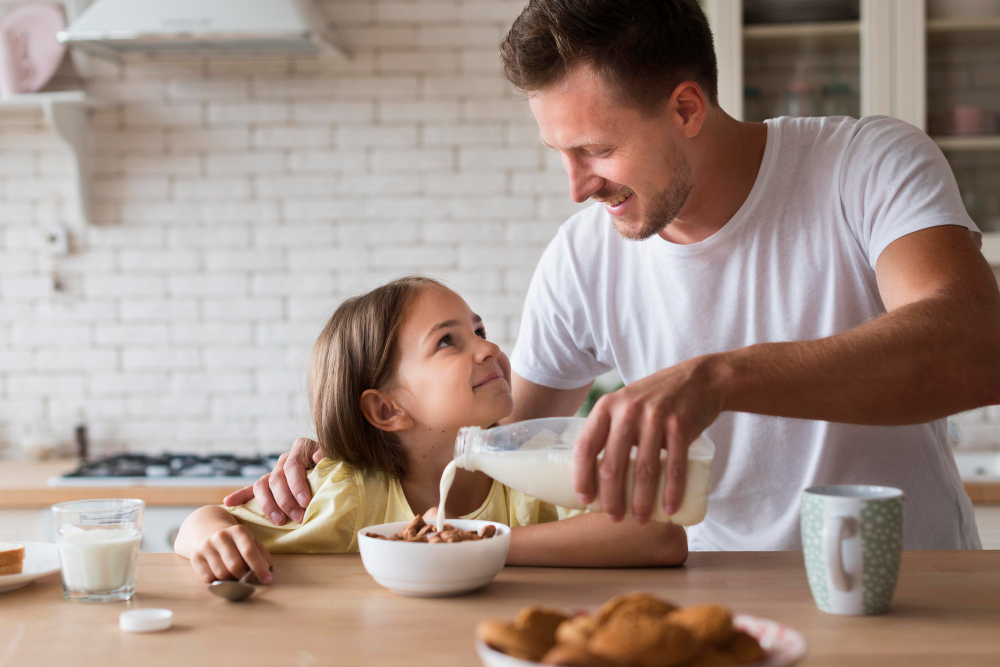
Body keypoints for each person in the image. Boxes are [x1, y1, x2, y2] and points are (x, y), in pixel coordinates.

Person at [227, 0, 998, 551]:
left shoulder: (866, 164)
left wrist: (717, 378)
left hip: (913, 589)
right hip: (714, 606)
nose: (577, 187)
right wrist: (351, 454)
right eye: (559, 154)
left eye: (596, 150)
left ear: (687, 108)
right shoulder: (583, 258)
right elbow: (493, 445)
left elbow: (977, 346)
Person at [176, 277, 687, 583]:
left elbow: (662, 538)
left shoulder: (531, 466)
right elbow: (201, 524)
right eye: (448, 341)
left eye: (479, 331)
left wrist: (476, 544)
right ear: (387, 409)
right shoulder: (350, 495)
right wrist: (212, 535)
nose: (489, 348)